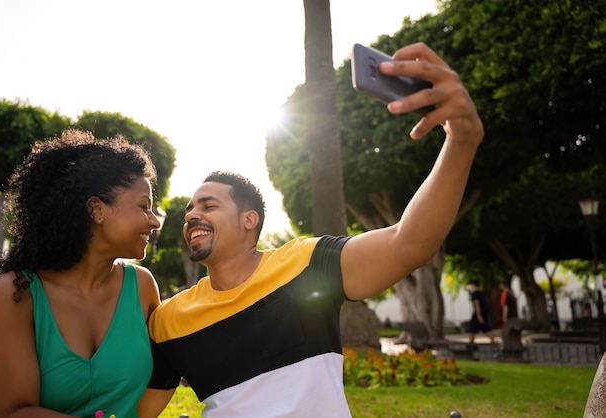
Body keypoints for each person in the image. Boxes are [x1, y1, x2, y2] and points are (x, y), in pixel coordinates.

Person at [138, 42, 485, 417]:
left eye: (208, 205)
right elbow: (138, 411)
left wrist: (460, 140)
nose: (191, 215)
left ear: (249, 219)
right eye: (189, 210)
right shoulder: (169, 319)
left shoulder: (304, 264)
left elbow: (409, 244)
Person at [0, 129, 162, 418]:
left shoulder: (142, 288)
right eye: (144, 206)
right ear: (97, 210)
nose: (154, 221)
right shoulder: (15, 295)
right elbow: (5, 412)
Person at [467, 279, 495, 344]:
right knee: (486, 329)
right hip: (484, 313)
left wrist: (479, 315)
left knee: (473, 329)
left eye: (471, 285)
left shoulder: (475, 294)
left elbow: (477, 305)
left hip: (478, 314)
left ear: (473, 285)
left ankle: (470, 346)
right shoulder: (483, 293)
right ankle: (495, 345)